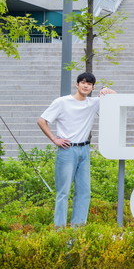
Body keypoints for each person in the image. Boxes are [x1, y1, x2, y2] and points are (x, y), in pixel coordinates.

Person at [37, 72, 116, 227]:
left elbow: (116, 100)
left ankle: (77, 229)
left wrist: (108, 90)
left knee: (84, 191)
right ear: (77, 84)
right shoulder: (62, 102)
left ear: (92, 87)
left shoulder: (93, 103)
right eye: (83, 83)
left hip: (84, 150)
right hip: (67, 150)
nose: (86, 86)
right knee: (63, 192)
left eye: (89, 84)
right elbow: (41, 120)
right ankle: (59, 229)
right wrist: (54, 139)